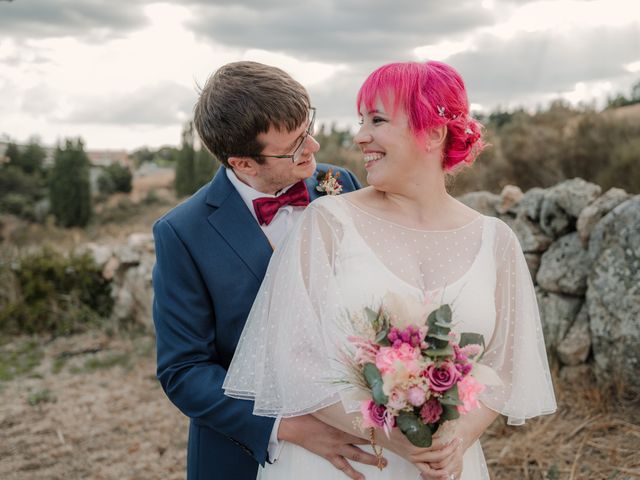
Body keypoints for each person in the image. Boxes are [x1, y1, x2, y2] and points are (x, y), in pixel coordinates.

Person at [223, 61, 557, 479]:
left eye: (377, 120)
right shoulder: (328, 222)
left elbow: (507, 367)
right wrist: (389, 435)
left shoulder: (496, 239)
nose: (360, 135)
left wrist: (454, 443)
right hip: (344, 464)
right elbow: (291, 361)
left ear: (433, 133)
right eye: (361, 119)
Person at [152, 61, 375, 480]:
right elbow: (183, 370)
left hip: (354, 431)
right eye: (294, 146)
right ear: (244, 164)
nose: (312, 146)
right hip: (244, 453)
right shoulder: (182, 233)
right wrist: (287, 429)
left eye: (308, 127)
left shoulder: (339, 183)